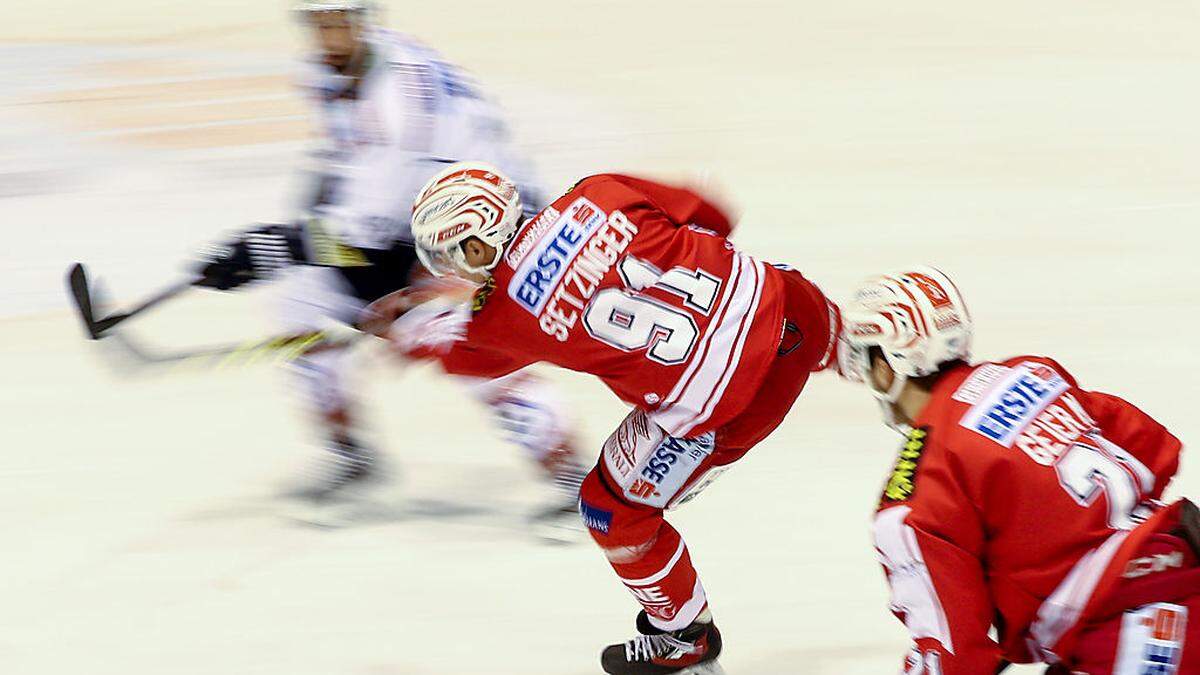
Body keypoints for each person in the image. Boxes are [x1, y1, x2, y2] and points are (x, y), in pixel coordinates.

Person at [363, 162, 840, 674]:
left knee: (611, 511)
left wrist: (408, 331)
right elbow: (714, 214)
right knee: (867, 354)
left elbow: (466, 357)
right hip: (791, 304)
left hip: (734, 403)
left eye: (447, 258)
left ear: (478, 246)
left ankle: (684, 638)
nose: (447, 273)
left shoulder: (499, 318)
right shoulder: (597, 191)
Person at [191, 1, 586, 523]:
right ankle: (348, 453)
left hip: (490, 227)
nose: (329, 34)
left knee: (452, 339)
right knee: (300, 297)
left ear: (365, 21)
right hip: (422, 216)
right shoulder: (333, 72)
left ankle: (574, 477)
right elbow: (341, 172)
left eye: (339, 22)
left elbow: (363, 231)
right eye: (319, 23)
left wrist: (269, 249)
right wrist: (280, 243)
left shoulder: (396, 98)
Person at [837, 267, 1200, 674]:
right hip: (1184, 574)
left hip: (1126, 642)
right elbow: (1150, 447)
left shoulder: (917, 489)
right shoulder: (1031, 374)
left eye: (865, 361)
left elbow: (951, 657)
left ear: (887, 366)